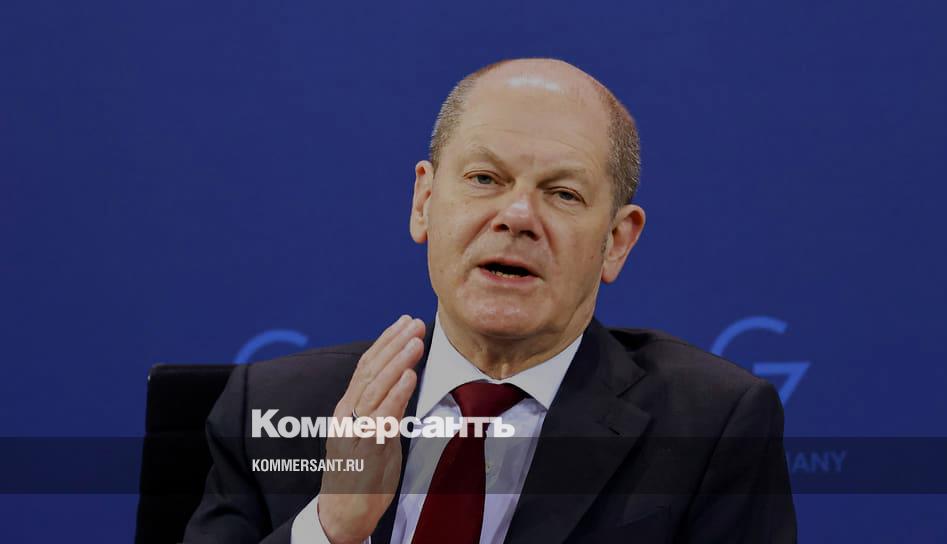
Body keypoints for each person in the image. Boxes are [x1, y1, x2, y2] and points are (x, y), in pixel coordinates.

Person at [184, 58, 797, 543]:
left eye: (563, 193)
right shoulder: (274, 409)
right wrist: (332, 528)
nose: (518, 216)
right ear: (424, 202)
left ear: (616, 241)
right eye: (484, 179)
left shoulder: (709, 427)